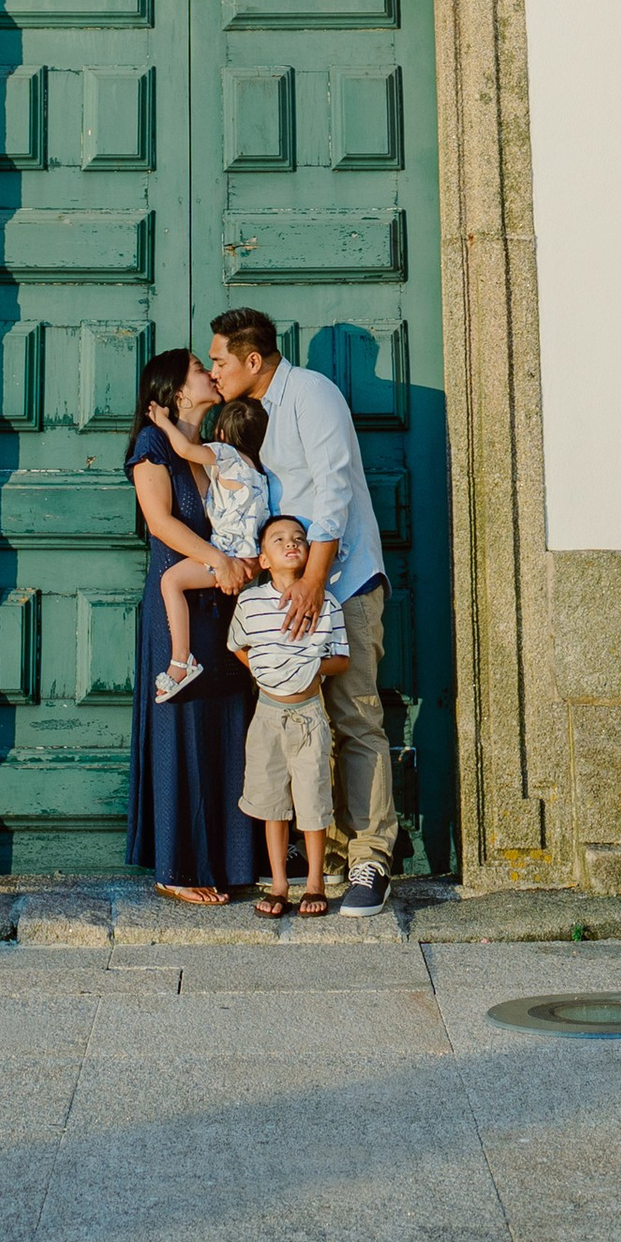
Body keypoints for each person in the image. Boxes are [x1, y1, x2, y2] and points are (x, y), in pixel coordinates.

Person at [208, 306, 398, 914]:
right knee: (313, 730)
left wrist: (315, 577)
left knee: (357, 720)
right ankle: (333, 859)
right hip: (294, 591)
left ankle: (372, 859)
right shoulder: (256, 412)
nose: (213, 371)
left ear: (253, 361)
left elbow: (335, 485)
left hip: (342, 585)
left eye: (220, 360)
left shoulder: (312, 393)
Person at [125, 348, 259, 902]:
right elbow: (160, 522)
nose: (213, 373)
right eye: (200, 371)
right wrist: (220, 562)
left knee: (229, 725)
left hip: (224, 603)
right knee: (181, 728)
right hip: (177, 602)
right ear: (178, 392)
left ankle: (231, 860)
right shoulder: (152, 445)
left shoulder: (220, 448)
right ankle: (177, 869)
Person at [227, 507, 350, 918]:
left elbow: (342, 659)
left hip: (310, 715)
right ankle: (279, 883)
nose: (291, 543)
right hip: (267, 716)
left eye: (298, 538)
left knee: (313, 800)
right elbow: (237, 646)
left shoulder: (326, 603)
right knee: (271, 802)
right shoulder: (250, 602)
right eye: (278, 540)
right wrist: (264, 674)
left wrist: (312, 668)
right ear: (263, 559)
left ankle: (314, 882)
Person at [147, 393, 270, 701]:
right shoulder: (258, 472)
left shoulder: (226, 455)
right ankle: (264, 674)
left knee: (171, 581)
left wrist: (162, 421)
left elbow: (186, 449)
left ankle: (181, 660)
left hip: (228, 555)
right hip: (251, 559)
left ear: (223, 435)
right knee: (243, 625)